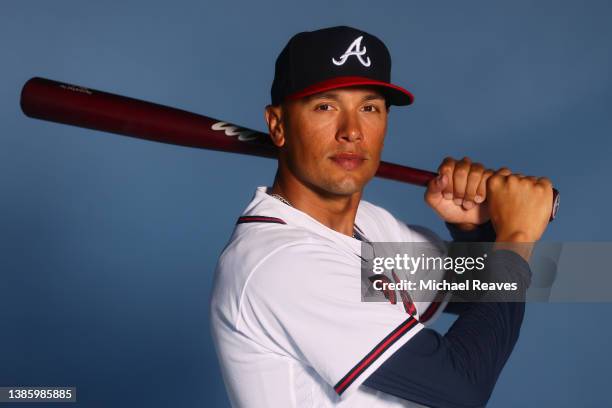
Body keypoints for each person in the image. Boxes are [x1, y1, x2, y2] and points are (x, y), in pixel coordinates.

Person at [210, 26, 553, 407]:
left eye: (369, 108)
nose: (352, 132)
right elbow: (460, 386)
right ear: (278, 125)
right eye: (325, 106)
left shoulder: (369, 226)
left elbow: (484, 290)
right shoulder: (280, 263)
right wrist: (516, 234)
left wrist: (478, 229)